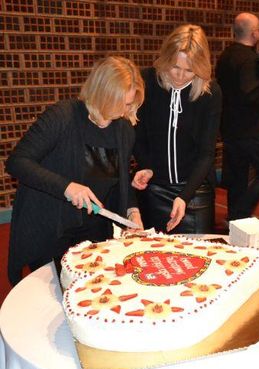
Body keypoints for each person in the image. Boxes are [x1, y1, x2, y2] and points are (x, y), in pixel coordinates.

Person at [6, 56, 144, 286]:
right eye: (121, 102)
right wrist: (66, 187)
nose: (124, 111)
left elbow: (118, 179)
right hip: (52, 227)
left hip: (92, 230)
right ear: (102, 93)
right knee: (56, 299)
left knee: (92, 293)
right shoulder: (62, 116)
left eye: (129, 104)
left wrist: (132, 212)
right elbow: (17, 162)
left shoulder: (123, 129)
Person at [132, 24, 222, 234]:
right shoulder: (147, 81)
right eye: (175, 67)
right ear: (165, 59)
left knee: (198, 256)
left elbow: (207, 152)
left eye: (189, 70)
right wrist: (147, 166)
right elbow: (136, 135)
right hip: (153, 187)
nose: (180, 76)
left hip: (195, 189)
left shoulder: (211, 93)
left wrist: (185, 195)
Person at [216, 13, 259, 222]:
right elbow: (251, 94)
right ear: (255, 33)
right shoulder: (249, 59)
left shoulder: (226, 55)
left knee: (237, 176)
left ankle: (234, 219)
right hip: (250, 129)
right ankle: (240, 213)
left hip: (229, 127)